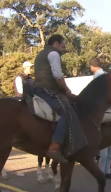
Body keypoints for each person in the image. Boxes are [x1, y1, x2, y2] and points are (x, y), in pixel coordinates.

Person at [32, 34, 88, 163]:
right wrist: (66, 90)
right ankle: (54, 148)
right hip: (47, 89)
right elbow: (57, 75)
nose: (63, 49)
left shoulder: (42, 53)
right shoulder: (53, 54)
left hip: (39, 88)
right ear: (55, 44)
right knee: (66, 112)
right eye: (62, 46)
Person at [90, 57, 111, 179]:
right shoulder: (107, 76)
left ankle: (101, 172)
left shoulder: (97, 76)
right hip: (110, 111)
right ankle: (106, 171)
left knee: (104, 148)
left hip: (102, 111)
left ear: (92, 67)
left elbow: (95, 95)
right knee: (109, 149)